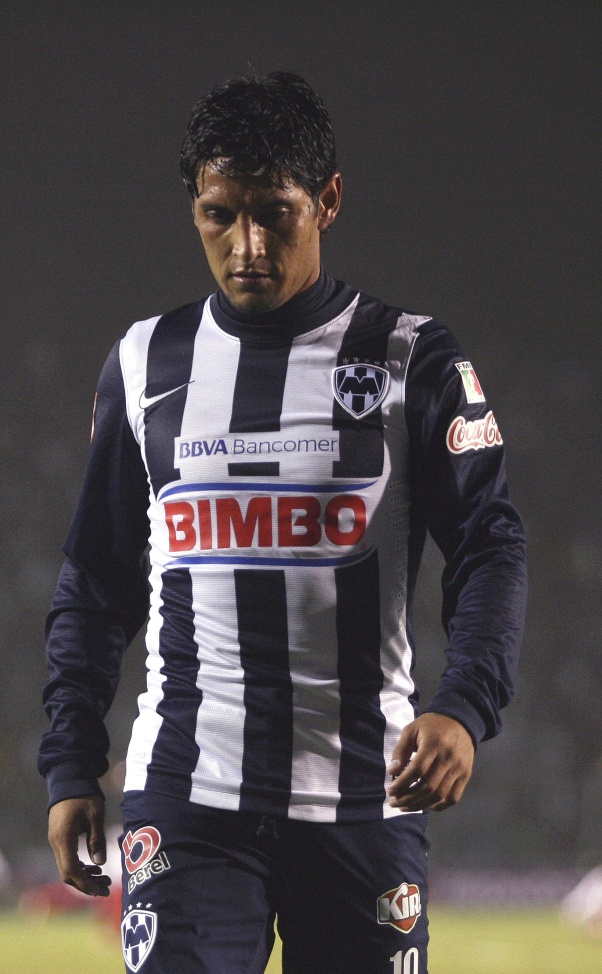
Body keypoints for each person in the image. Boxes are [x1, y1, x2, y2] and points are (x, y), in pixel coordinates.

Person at [39, 72, 527, 974]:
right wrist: (71, 762)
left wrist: (464, 705)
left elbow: (489, 547)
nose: (248, 245)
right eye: (220, 215)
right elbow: (96, 580)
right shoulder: (146, 361)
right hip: (188, 793)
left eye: (275, 213)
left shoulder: (412, 358)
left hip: (364, 798)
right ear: (195, 209)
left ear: (327, 201)